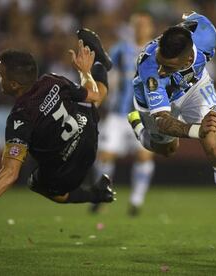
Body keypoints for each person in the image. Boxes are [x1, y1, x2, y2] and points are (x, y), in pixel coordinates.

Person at [0, 29, 115, 221]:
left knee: (35, 182)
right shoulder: (52, 81)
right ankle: (101, 65)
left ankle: (96, 195)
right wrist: (84, 71)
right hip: (89, 139)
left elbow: (10, 172)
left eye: (1, 75)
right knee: (91, 99)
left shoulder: (20, 118)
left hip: (67, 168)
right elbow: (95, 96)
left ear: (14, 84)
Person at [128, 12, 216, 264]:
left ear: (189, 57)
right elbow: (163, 120)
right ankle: (137, 128)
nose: (162, 70)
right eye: (161, 63)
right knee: (166, 149)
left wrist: (204, 131)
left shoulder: (207, 34)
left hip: (196, 88)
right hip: (154, 108)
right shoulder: (150, 67)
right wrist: (196, 130)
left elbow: (191, 18)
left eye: (169, 66)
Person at [92, 12, 155, 216]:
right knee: (105, 155)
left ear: (151, 28)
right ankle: (102, 194)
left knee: (144, 156)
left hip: (144, 114)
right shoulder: (120, 50)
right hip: (119, 113)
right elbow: (104, 73)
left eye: (144, 25)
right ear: (131, 26)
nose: (140, 28)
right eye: (136, 24)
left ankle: (136, 201)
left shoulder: (157, 52)